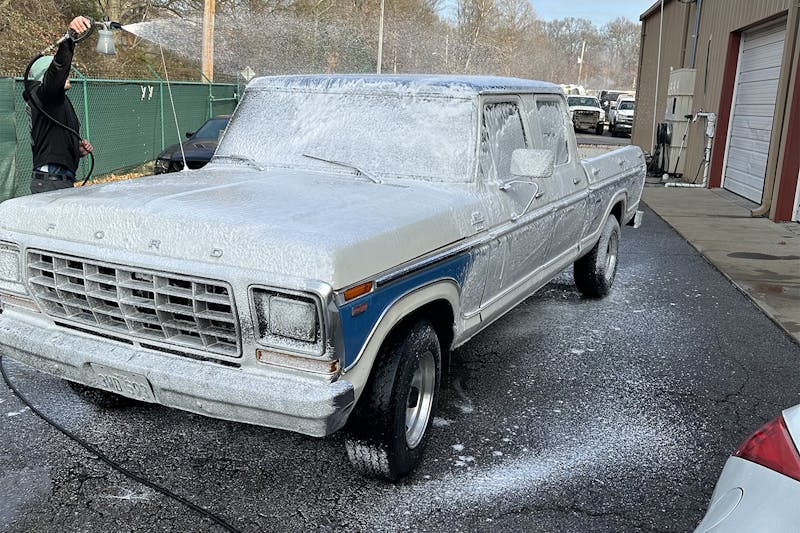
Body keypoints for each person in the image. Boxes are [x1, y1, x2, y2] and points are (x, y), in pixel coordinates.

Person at [24, 16, 94, 194]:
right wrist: (69, 38)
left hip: (59, 181)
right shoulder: (44, 96)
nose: (67, 75)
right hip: (50, 184)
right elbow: (58, 70)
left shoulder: (53, 102)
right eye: (64, 74)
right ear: (45, 77)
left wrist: (76, 150)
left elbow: (52, 143)